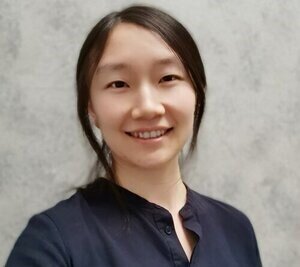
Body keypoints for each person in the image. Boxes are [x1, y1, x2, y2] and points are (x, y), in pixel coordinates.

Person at [5, 5, 262, 267]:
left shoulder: (236, 230)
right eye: (119, 84)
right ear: (90, 106)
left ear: (197, 92)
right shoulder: (52, 242)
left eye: (168, 77)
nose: (148, 107)